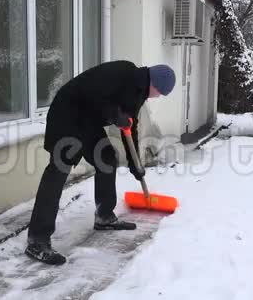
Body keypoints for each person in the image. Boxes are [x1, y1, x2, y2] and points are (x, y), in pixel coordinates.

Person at [25, 61, 176, 265]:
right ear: (155, 84)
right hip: (67, 113)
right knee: (58, 170)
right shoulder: (123, 72)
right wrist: (116, 115)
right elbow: (92, 94)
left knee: (106, 157)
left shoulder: (138, 93)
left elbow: (130, 127)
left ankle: (104, 215)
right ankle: (37, 239)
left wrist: (135, 165)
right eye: (159, 93)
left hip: (88, 121)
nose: (157, 97)